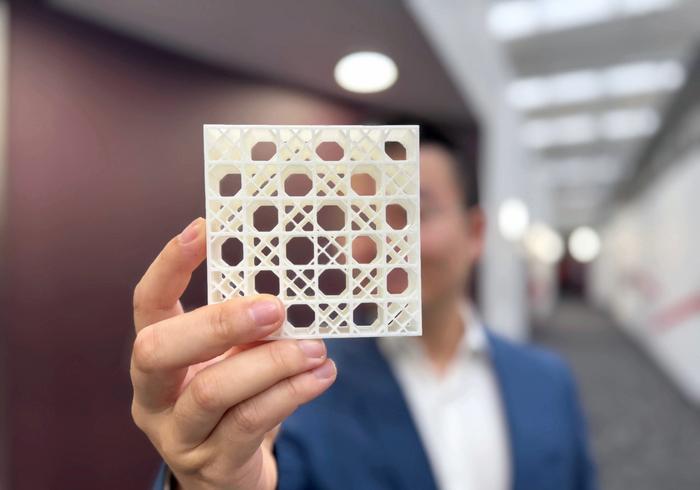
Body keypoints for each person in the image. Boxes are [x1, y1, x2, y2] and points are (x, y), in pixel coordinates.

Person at [131, 124, 597, 490]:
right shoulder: (295, 386)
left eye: (411, 210)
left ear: (475, 233)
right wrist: (203, 480)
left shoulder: (547, 381)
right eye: (363, 215)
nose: (382, 239)